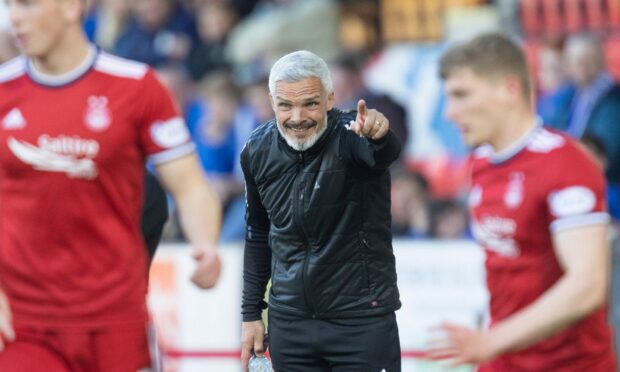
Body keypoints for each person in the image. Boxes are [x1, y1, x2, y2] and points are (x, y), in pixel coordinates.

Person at [0, 0, 222, 371]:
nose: (14, 18)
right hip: (25, 324)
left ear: (71, 7)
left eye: (26, 4)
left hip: (116, 322)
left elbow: (191, 187)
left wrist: (205, 245)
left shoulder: (136, 86)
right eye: (9, 6)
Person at [428, 32, 616, 371]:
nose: (451, 113)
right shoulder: (482, 163)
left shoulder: (566, 164)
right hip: (503, 361)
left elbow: (588, 285)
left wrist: (492, 340)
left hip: (569, 364)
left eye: (462, 95)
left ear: (509, 90)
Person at [240, 50, 402, 371]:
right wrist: (250, 315)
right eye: (285, 105)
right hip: (289, 323)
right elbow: (257, 234)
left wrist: (381, 135)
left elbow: (384, 152)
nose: (297, 117)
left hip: (361, 321)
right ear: (272, 102)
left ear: (330, 99)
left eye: (310, 103)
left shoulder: (354, 135)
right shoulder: (256, 150)